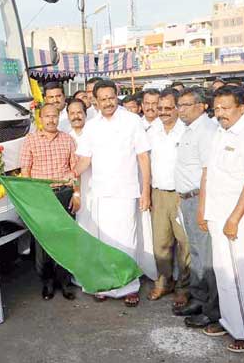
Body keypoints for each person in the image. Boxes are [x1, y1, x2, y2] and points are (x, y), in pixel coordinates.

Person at [75, 79, 152, 307]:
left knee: (126, 241)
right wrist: (70, 174)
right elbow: (85, 160)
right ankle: (106, 284)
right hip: (100, 193)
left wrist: (145, 190)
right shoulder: (92, 125)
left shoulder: (132, 121)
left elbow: (143, 157)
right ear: (95, 102)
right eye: (103, 99)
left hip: (126, 192)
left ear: (117, 96)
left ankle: (129, 287)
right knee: (104, 242)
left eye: (111, 97)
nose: (108, 103)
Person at [197, 85, 244, 353]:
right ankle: (231, 321)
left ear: (243, 105)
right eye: (217, 108)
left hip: (236, 217)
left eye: (226, 108)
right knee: (224, 275)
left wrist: (235, 217)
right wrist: (203, 209)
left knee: (241, 276)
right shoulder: (218, 131)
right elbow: (209, 173)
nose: (220, 113)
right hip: (217, 214)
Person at [171, 87, 221, 329]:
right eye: (179, 105)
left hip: (200, 198)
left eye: (187, 105)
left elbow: (207, 172)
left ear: (202, 106)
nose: (181, 110)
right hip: (187, 199)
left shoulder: (207, 131)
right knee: (198, 254)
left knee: (207, 256)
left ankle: (212, 310)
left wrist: (202, 207)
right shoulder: (190, 130)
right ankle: (199, 299)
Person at [19, 103, 80, 301]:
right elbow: (25, 173)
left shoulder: (68, 140)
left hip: (64, 194)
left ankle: (64, 281)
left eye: (55, 116)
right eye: (47, 116)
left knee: (65, 239)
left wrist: (76, 193)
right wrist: (30, 201)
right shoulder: (30, 141)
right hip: (41, 196)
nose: (51, 120)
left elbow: (75, 170)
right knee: (43, 242)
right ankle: (47, 282)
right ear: (40, 118)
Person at [147, 89, 191, 305]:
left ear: (177, 108)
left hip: (181, 195)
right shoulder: (151, 130)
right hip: (158, 194)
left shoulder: (186, 131)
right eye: (160, 108)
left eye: (168, 108)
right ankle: (164, 282)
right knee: (160, 243)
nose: (163, 112)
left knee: (184, 243)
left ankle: (184, 287)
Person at [67, 98, 94, 236]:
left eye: (79, 112)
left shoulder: (95, 134)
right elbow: (71, 170)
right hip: (78, 191)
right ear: (67, 116)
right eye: (72, 113)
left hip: (97, 189)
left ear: (85, 114)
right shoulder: (66, 139)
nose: (76, 116)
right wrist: (76, 193)